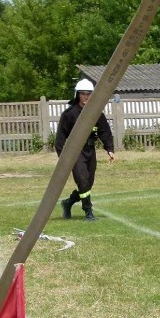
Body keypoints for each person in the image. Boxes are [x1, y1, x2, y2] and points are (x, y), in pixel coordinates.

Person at [55, 78, 115, 221]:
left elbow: (105, 131)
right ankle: (88, 212)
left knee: (88, 183)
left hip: (90, 150)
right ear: (77, 94)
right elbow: (60, 139)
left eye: (89, 94)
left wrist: (110, 149)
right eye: (83, 94)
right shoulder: (69, 114)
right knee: (82, 180)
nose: (86, 97)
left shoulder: (96, 113)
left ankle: (68, 202)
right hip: (75, 153)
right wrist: (63, 158)